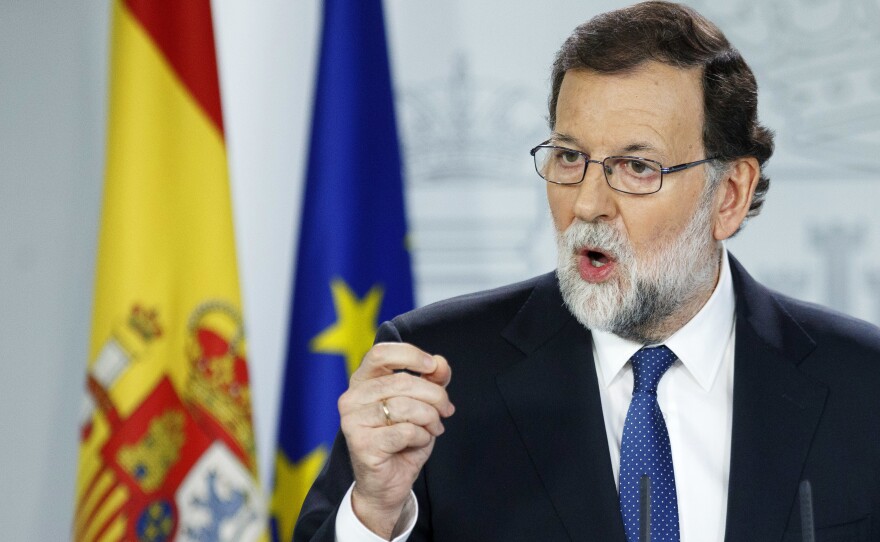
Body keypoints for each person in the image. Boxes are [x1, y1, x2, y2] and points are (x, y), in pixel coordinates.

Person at [294, 2, 880, 541]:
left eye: (637, 166)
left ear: (729, 194)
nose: (588, 203)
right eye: (570, 157)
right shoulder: (439, 375)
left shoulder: (863, 384)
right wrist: (374, 512)